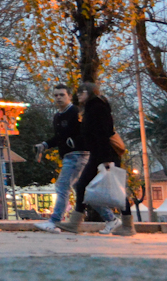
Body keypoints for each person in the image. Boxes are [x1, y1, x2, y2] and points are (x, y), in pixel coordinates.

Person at [57, 82, 135, 236]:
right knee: (86, 186)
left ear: (90, 92)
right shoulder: (92, 108)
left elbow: (102, 133)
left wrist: (106, 159)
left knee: (86, 186)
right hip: (99, 154)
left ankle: (76, 223)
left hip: (104, 155)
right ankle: (127, 225)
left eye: (81, 92)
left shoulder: (97, 108)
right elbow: (91, 134)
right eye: (77, 93)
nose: (78, 95)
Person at [32, 84, 113, 233]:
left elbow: (88, 130)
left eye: (62, 95)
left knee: (62, 186)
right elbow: (59, 137)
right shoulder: (57, 116)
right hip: (68, 156)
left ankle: (54, 221)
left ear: (69, 96)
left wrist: (77, 142)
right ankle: (111, 219)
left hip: (78, 155)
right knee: (85, 191)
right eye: (56, 95)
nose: (58, 98)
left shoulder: (75, 112)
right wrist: (45, 145)